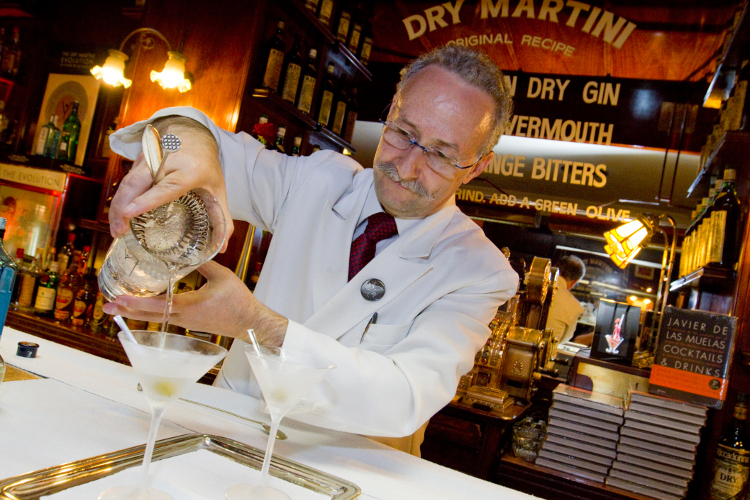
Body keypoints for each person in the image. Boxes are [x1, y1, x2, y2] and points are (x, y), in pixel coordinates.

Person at [102, 45, 519, 452]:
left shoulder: (479, 271)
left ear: (478, 165)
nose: (407, 167)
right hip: (224, 437)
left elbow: (405, 396)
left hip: (346, 472)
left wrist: (259, 326)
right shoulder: (319, 179)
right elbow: (182, 128)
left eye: (441, 156)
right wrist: (178, 149)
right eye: (404, 134)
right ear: (390, 112)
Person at [546, 255, 586, 346]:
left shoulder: (528, 279)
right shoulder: (575, 307)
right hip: (543, 356)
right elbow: (564, 339)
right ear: (574, 281)